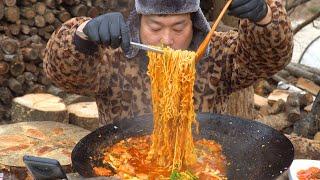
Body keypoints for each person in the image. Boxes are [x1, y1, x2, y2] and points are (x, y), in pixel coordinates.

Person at [44, 0, 293, 126]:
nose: (166, 40)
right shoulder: (113, 54)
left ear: (193, 22)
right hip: (123, 163)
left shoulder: (217, 52)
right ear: (139, 20)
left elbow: (267, 60)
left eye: (178, 27)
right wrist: (83, 36)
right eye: (155, 26)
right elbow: (62, 74)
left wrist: (265, 18)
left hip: (202, 160)